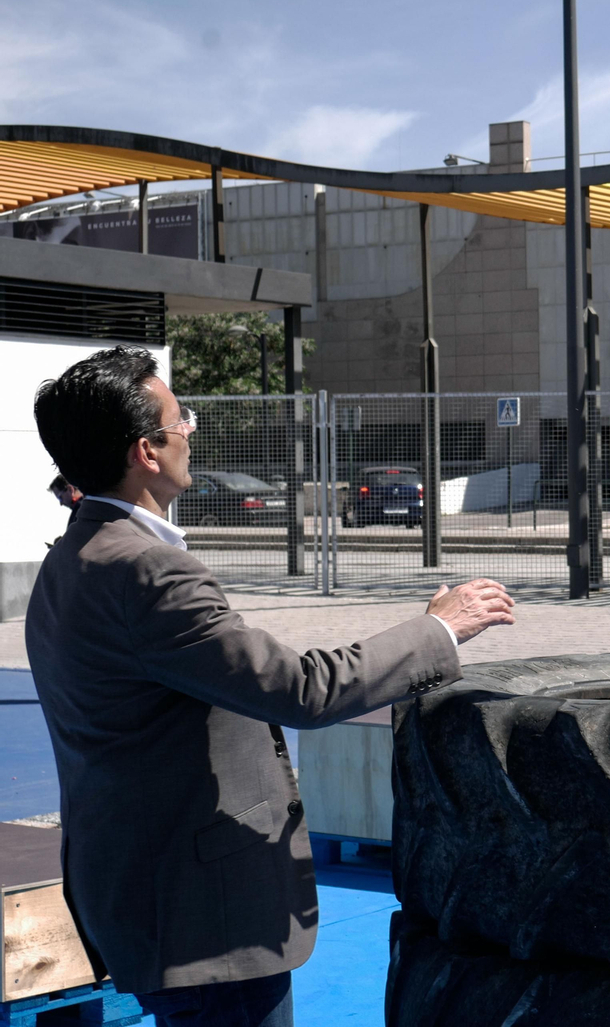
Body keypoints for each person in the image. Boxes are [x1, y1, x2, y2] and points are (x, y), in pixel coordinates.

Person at [27, 346, 516, 1027]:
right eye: (181, 419)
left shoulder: (71, 557)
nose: (191, 431)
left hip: (144, 898)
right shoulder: (148, 572)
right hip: (207, 923)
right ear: (146, 450)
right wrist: (439, 630)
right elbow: (300, 689)